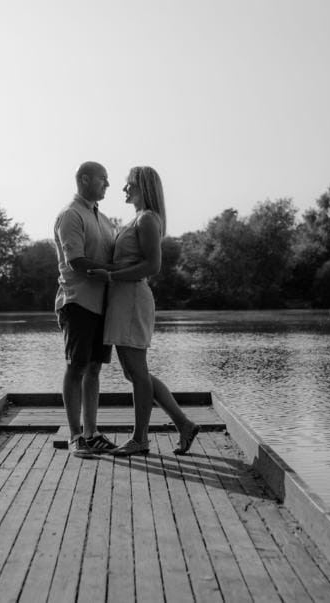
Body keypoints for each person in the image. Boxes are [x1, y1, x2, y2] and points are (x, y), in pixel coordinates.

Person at [87, 166, 201, 457]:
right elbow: (127, 262)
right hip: (122, 299)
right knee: (135, 372)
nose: (123, 189)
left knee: (137, 373)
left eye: (128, 185)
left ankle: (140, 439)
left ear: (142, 188)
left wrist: (111, 276)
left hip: (132, 299)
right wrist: (104, 270)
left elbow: (153, 266)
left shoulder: (148, 219)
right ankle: (184, 424)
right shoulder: (135, 220)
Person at [54, 162, 119, 458]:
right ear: (84, 179)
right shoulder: (71, 215)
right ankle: (75, 436)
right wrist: (115, 270)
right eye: (103, 179)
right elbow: (76, 261)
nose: (107, 184)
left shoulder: (105, 220)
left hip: (101, 305)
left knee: (94, 369)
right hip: (77, 302)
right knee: (76, 367)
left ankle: (92, 433)